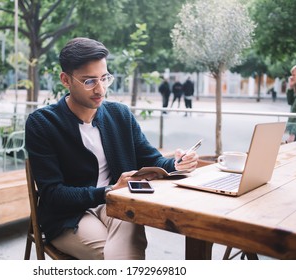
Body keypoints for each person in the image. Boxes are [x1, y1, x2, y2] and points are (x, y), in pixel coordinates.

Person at [25, 37, 199, 260]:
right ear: (66, 80)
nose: (100, 89)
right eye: (89, 81)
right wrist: (108, 191)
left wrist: (176, 163)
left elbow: (151, 159)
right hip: (68, 216)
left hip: (115, 204)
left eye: (104, 78)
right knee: (118, 255)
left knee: (126, 235)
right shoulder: (43, 123)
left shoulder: (120, 115)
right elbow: (53, 194)